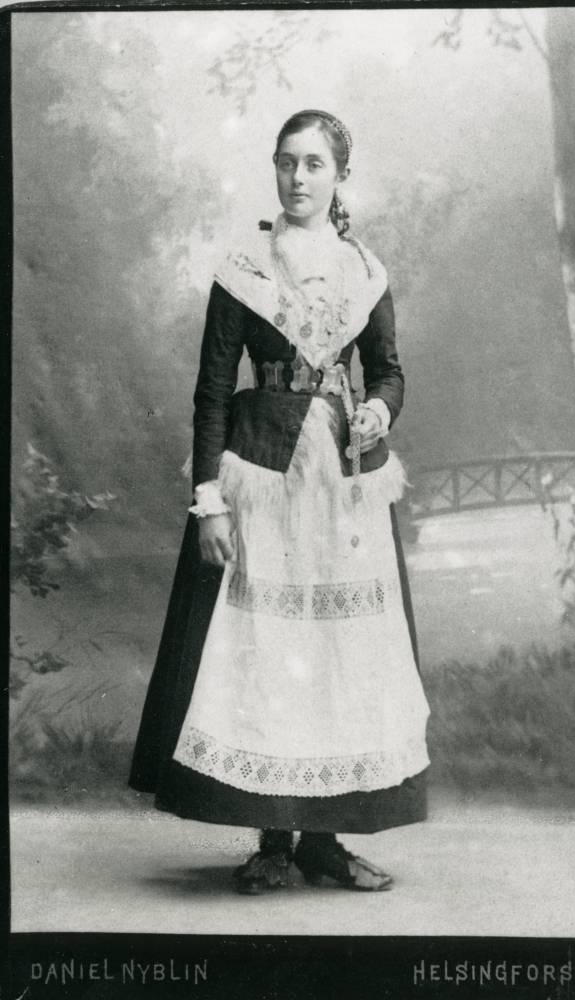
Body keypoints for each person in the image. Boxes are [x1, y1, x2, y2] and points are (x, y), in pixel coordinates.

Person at [129, 109, 430, 894]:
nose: (297, 178)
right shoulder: (243, 270)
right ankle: (271, 840)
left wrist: (378, 409)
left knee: (337, 652)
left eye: (313, 164)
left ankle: (323, 844)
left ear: (339, 176)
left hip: (342, 489)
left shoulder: (364, 270)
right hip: (260, 478)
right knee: (266, 650)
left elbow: (387, 370)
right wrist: (209, 503)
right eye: (286, 162)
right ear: (274, 169)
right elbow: (211, 393)